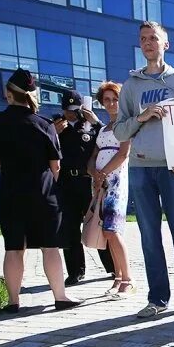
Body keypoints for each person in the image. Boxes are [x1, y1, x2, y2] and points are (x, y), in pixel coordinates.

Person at [113, 21, 174, 318]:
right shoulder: (130, 87)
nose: (148, 43)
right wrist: (142, 117)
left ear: (166, 44)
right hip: (141, 168)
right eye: (143, 39)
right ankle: (157, 299)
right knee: (149, 235)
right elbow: (119, 132)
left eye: (154, 38)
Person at [0, 68, 78, 314]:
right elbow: (55, 165)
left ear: (8, 94)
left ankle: (13, 301)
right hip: (44, 194)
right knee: (50, 247)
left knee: (14, 248)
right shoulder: (44, 124)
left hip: (11, 193)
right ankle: (60, 297)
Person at [53, 89, 114, 286]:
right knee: (69, 229)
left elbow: (109, 138)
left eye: (75, 110)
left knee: (97, 225)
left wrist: (96, 122)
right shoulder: (54, 125)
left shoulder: (90, 124)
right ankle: (75, 271)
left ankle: (112, 267)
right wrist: (53, 133)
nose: (71, 114)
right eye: (68, 110)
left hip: (88, 183)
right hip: (65, 185)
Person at [89, 81, 135, 298]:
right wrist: (93, 173)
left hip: (115, 183)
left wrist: (103, 173)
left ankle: (128, 279)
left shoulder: (124, 125)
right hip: (100, 185)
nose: (111, 103)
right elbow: (93, 155)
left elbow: (123, 154)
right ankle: (117, 278)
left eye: (115, 99)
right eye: (106, 100)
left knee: (113, 230)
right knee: (106, 232)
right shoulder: (103, 129)